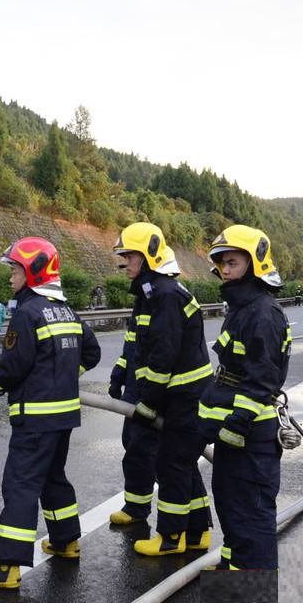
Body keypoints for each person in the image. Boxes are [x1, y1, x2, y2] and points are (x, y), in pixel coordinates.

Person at [0, 237, 101, 589]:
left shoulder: (27, 313)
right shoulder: (66, 310)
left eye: (14, 270)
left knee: (20, 485)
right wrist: (61, 379)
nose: (10, 278)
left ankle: (7, 567)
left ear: (33, 271)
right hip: (64, 416)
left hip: (35, 417)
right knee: (53, 478)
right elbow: (92, 353)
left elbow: (10, 371)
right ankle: (66, 542)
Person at [112, 222, 214, 556]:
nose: (123, 261)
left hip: (183, 397)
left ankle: (170, 539)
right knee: (182, 463)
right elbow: (144, 347)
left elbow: (163, 357)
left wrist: (147, 403)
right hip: (181, 396)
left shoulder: (165, 295)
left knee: (172, 464)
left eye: (129, 255)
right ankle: (198, 532)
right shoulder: (153, 292)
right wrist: (124, 372)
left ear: (148, 256)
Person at [198, 225, 292, 570]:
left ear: (255, 264)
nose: (225, 270)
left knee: (251, 517)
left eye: (233, 262)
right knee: (232, 507)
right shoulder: (243, 308)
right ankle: (232, 576)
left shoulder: (262, 314)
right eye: (221, 263)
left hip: (250, 436)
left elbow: (261, 379)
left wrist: (236, 423)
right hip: (235, 434)